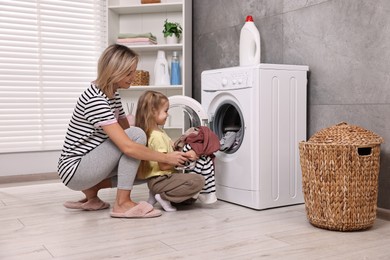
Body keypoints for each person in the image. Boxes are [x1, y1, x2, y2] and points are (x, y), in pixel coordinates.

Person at [57, 44, 188, 218]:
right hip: (75, 169)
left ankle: (93, 193)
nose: (133, 77)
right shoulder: (95, 99)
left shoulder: (113, 94)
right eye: (129, 73)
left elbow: (126, 130)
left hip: (88, 165)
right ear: (114, 71)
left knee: (146, 167)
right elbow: (129, 143)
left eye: (133, 71)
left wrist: (166, 144)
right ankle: (122, 204)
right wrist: (166, 157)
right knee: (136, 139)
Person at [135, 91, 205, 212]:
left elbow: (168, 154)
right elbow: (164, 164)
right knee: (199, 181)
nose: (168, 115)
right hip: (162, 180)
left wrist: (183, 153)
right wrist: (185, 158)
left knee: (190, 200)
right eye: (165, 111)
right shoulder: (157, 136)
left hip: (157, 181)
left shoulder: (156, 132)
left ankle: (154, 195)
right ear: (152, 112)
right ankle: (162, 196)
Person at [174, 126, 220, 204]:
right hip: (198, 177)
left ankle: (189, 196)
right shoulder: (205, 150)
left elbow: (184, 163)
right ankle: (194, 196)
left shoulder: (189, 146)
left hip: (193, 177)